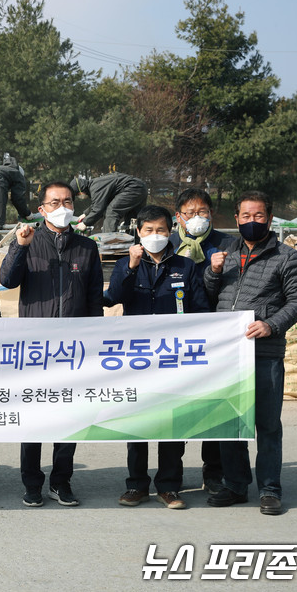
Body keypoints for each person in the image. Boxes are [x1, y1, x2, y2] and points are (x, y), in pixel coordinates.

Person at [203, 191, 297, 516]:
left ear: (270, 218)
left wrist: (271, 325)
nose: (252, 222)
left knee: (267, 424)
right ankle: (236, 485)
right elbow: (210, 296)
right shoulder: (226, 253)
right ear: (236, 220)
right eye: (246, 217)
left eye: (258, 216)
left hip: (264, 351)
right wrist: (213, 272)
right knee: (230, 421)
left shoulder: (286, 257)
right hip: (228, 353)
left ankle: (269, 489)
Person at [0, 181, 103, 507]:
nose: (63, 208)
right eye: (55, 202)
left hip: (73, 351)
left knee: (68, 420)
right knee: (34, 421)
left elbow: (94, 302)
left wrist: (93, 347)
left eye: (68, 202)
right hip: (36, 350)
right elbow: (7, 280)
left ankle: (61, 481)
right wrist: (19, 247)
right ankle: (32, 483)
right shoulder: (29, 241)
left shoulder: (86, 248)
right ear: (41, 209)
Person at [105, 205, 209, 510]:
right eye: (148, 230)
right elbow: (112, 298)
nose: (155, 236)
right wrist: (132, 266)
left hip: (172, 358)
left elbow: (201, 309)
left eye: (161, 230)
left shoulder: (186, 267)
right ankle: (136, 485)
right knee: (137, 424)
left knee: (171, 424)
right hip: (137, 359)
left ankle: (168, 486)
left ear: (170, 231)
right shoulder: (128, 264)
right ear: (138, 233)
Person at [168, 188, 236, 495]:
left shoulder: (227, 244)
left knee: (213, 407)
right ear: (178, 216)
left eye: (203, 212)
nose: (198, 218)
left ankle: (214, 472)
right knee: (175, 407)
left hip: (214, 338)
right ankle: (171, 474)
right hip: (174, 340)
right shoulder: (166, 244)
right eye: (191, 212)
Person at [72, 172, 148, 233]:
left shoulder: (95, 188)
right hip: (139, 187)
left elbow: (98, 208)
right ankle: (133, 243)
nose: (79, 197)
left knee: (111, 211)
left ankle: (109, 242)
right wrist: (85, 214)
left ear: (81, 191)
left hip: (132, 188)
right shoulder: (96, 184)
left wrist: (85, 223)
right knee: (133, 219)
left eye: (78, 195)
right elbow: (100, 203)